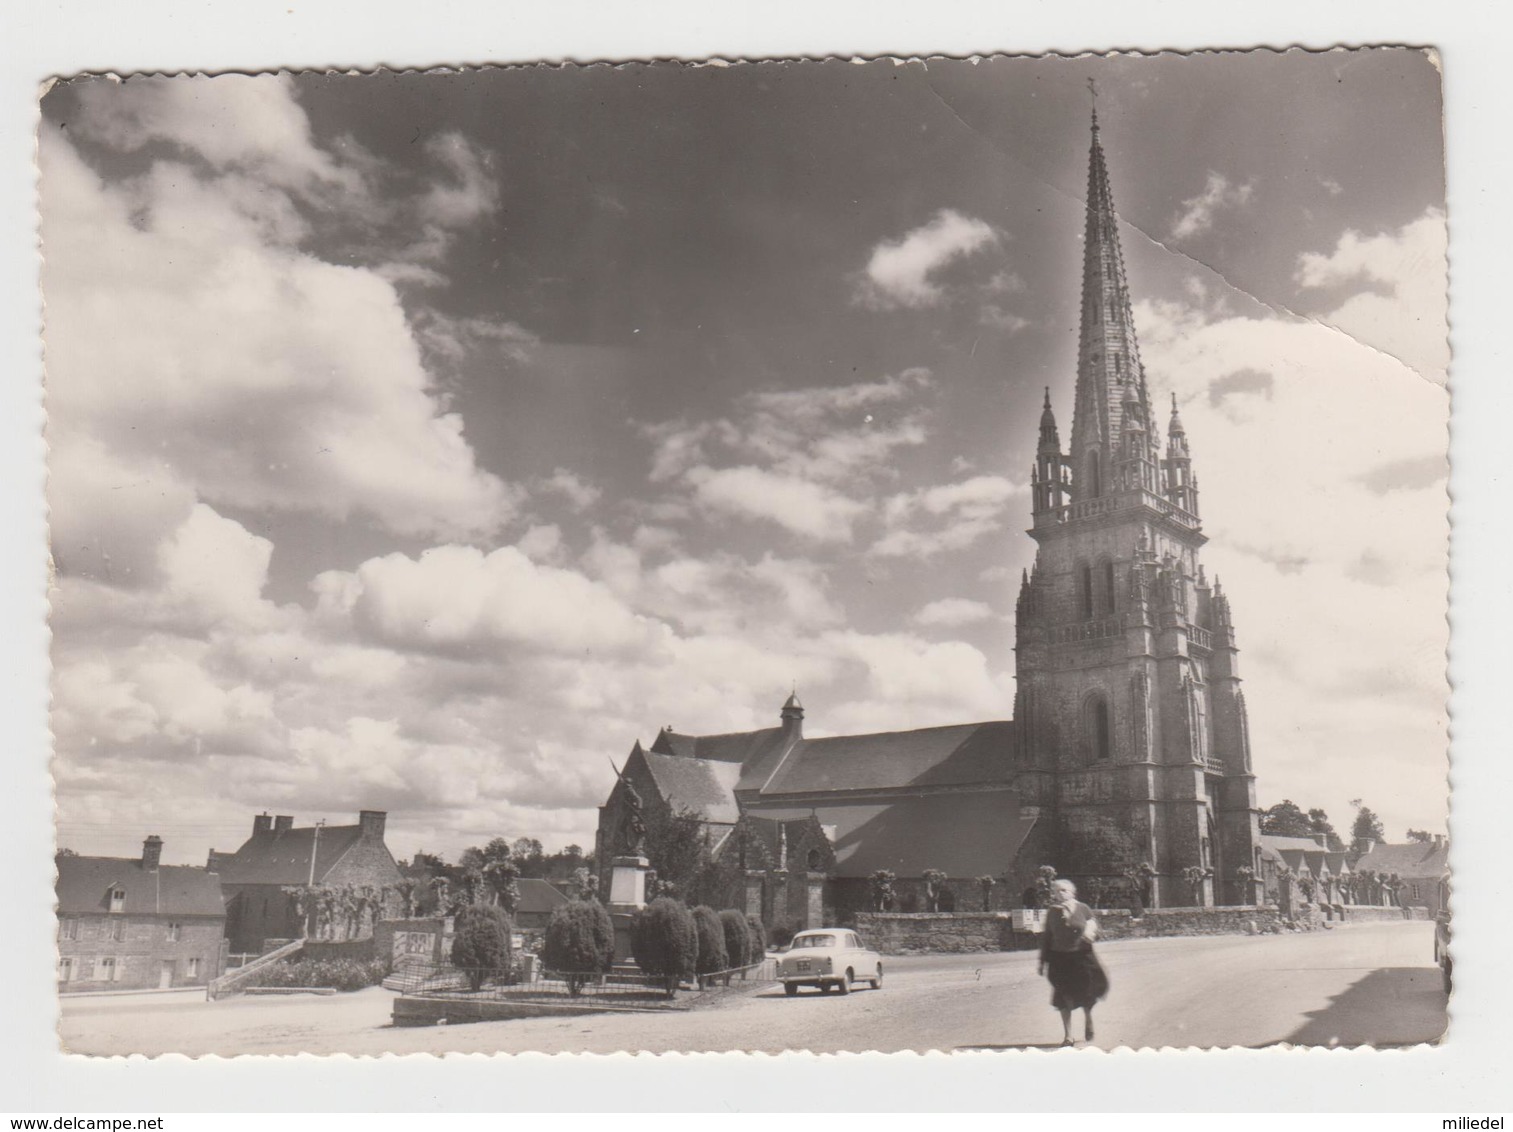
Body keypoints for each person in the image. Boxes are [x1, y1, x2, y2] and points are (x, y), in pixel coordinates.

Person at [1037, 878, 1110, 1045]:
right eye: (1056, 891)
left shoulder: (1083, 909)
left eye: (1063, 890)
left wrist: (1090, 935)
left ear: (1072, 892)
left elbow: (1096, 931)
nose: (1059, 894)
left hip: (1081, 958)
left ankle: (1088, 1019)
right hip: (1060, 959)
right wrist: (1042, 961)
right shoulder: (1052, 912)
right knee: (1063, 997)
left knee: (1086, 994)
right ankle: (1068, 1036)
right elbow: (1047, 937)